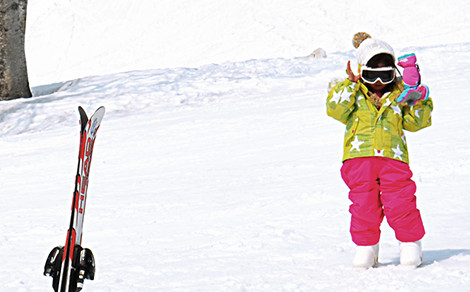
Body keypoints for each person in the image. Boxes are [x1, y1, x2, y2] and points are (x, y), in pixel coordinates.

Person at [326, 32, 433, 269]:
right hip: (358, 159)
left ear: (394, 72)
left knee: (400, 202)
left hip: (393, 158)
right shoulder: (353, 94)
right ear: (361, 71)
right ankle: (366, 246)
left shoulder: (399, 94)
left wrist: (417, 97)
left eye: (385, 75)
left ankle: (410, 243)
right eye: (372, 75)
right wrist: (350, 84)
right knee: (363, 204)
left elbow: (417, 123)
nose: (378, 82)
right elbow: (335, 110)